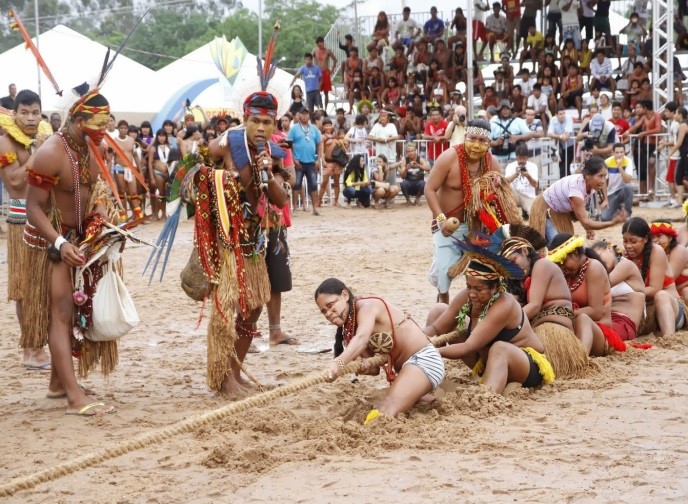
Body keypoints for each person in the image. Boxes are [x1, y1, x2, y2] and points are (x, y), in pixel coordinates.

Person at [23, 88, 118, 415]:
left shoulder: (94, 146)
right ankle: (74, 396)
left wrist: (99, 218)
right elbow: (33, 208)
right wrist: (60, 244)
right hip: (50, 243)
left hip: (80, 241)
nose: (102, 134)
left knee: (73, 314)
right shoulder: (50, 152)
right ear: (77, 120)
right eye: (95, 126)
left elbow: (99, 188)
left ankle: (57, 385)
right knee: (61, 315)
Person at [202, 86, 289, 396]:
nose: (261, 128)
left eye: (268, 123)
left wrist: (267, 171)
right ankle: (222, 377)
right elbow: (193, 175)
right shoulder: (225, 145)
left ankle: (235, 374)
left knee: (252, 309)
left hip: (255, 241)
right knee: (227, 310)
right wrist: (223, 180)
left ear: (275, 124)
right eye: (256, 122)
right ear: (245, 120)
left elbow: (279, 198)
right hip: (227, 241)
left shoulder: (274, 154)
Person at [425, 245, 555, 393]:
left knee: (499, 348)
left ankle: (486, 396)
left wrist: (429, 350)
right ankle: (426, 374)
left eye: (479, 289)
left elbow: (469, 346)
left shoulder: (504, 304)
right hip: (487, 362)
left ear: (494, 288)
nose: (472, 294)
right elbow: (436, 328)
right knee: (438, 310)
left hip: (526, 368)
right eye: (469, 287)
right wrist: (416, 337)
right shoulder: (467, 295)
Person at [317, 278, 444, 424]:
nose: (328, 313)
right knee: (386, 406)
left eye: (330, 305)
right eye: (324, 311)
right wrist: (362, 366)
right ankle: (423, 396)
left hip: (424, 360)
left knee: (384, 410)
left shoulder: (367, 306)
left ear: (345, 295)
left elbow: (362, 338)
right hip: (406, 370)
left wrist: (338, 362)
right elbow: (374, 370)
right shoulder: (350, 328)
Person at [0, 89, 52, 369]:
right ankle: (30, 348)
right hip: (21, 221)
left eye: (35, 112)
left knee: (44, 286)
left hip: (45, 219)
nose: (30, 119)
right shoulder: (5, 143)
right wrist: (39, 154)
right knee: (25, 287)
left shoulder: (42, 138)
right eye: (24, 112)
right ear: (15, 112)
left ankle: (39, 344)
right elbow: (16, 183)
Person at [424, 119, 503, 304]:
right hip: (447, 226)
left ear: (488, 143)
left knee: (485, 273)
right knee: (445, 275)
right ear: (465, 136)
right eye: (472, 138)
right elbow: (429, 189)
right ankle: (442, 306)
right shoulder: (448, 157)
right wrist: (441, 220)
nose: (476, 145)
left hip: (477, 228)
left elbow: (502, 195)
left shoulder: (492, 163)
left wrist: (497, 188)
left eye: (482, 141)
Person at [498, 225, 588, 378]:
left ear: (525, 251)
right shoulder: (519, 278)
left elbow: (534, 306)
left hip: (554, 332)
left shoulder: (542, 265)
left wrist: (501, 326)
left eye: (514, 260)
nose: (513, 267)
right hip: (537, 331)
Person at [548, 234, 626, 355]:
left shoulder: (594, 267)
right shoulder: (567, 274)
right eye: (559, 264)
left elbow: (596, 311)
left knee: (583, 318)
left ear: (574, 253)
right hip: (575, 329)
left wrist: (563, 313)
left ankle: (581, 358)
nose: (562, 267)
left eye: (564, 261)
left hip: (601, 332)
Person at [530, 156, 627, 243]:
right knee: (558, 247)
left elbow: (583, 214)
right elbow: (586, 223)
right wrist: (612, 223)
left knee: (568, 247)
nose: (603, 181)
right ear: (588, 175)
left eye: (604, 176)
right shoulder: (576, 190)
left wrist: (588, 228)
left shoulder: (590, 187)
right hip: (544, 211)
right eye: (600, 176)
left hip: (560, 213)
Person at [622, 217, 687, 337]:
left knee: (660, 295)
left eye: (633, 241)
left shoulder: (657, 251)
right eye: (625, 241)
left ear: (646, 239)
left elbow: (654, 289)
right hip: (647, 313)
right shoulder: (625, 256)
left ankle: (669, 338)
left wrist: (628, 293)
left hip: (672, 310)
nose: (628, 245)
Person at [590, 241, 646, 342]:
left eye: (599, 256)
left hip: (624, 323)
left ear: (608, 248)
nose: (599, 262)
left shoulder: (626, 265)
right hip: (606, 319)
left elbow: (601, 287)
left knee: (592, 332)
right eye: (596, 260)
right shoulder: (602, 273)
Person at [623, 99, 662, 198]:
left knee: (651, 163)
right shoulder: (644, 117)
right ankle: (648, 192)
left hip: (655, 144)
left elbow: (658, 129)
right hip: (645, 145)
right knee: (645, 167)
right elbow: (636, 125)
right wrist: (628, 131)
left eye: (641, 107)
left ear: (645, 108)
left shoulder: (657, 115)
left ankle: (651, 189)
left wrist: (644, 133)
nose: (639, 109)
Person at [288, 107, 322, 216]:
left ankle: (315, 208)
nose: (304, 116)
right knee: (296, 184)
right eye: (302, 114)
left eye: (306, 114)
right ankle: (295, 209)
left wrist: (319, 159)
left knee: (313, 185)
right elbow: (289, 145)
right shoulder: (294, 129)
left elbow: (320, 144)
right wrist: (293, 158)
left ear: (309, 116)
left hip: (311, 161)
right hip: (298, 161)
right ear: (298, 115)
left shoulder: (314, 128)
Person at [650, 220, 688, 306]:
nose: (654, 240)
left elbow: (669, 280)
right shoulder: (652, 252)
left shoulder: (679, 250)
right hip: (667, 294)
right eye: (652, 237)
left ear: (670, 237)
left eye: (659, 236)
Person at [112, 119, 143, 221]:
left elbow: (135, 156)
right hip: (118, 169)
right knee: (121, 193)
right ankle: (123, 217)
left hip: (130, 169)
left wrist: (140, 170)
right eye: (121, 128)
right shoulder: (114, 141)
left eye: (125, 128)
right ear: (118, 129)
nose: (123, 130)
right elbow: (109, 157)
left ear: (127, 129)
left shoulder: (131, 140)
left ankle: (139, 216)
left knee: (133, 193)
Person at [489, 101, 532, 168]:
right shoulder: (493, 123)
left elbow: (530, 135)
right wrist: (496, 143)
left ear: (510, 110)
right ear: (499, 111)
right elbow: (486, 141)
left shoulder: (518, 121)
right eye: (503, 109)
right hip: (498, 158)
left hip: (515, 157)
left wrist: (517, 137)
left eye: (507, 109)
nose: (505, 111)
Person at [601, 143, 635, 222]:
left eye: (621, 152)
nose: (619, 155)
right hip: (611, 193)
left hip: (622, 190)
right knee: (605, 218)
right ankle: (618, 209)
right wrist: (605, 199)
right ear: (613, 153)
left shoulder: (628, 161)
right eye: (617, 152)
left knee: (628, 187)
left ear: (624, 152)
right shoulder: (607, 162)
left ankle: (627, 213)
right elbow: (604, 181)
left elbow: (627, 180)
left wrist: (620, 167)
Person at [504, 144, 538, 218]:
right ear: (516, 157)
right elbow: (505, 182)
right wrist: (515, 175)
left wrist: (528, 176)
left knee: (535, 215)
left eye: (524, 158)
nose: (522, 161)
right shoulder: (510, 166)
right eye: (520, 158)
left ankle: (525, 210)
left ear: (527, 158)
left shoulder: (533, 166)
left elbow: (535, 184)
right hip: (514, 195)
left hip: (528, 196)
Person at [319, 118, 346, 207]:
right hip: (328, 162)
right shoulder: (323, 137)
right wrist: (322, 160)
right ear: (323, 127)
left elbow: (342, 146)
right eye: (326, 125)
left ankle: (336, 201)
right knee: (324, 182)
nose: (328, 127)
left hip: (337, 161)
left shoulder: (335, 136)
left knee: (337, 182)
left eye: (330, 125)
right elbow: (321, 150)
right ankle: (319, 201)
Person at [147, 128, 171, 221]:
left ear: (165, 137)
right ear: (157, 137)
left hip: (167, 173)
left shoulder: (169, 147)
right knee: (160, 194)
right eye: (160, 135)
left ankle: (164, 213)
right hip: (157, 172)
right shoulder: (153, 148)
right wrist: (152, 177)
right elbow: (150, 163)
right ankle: (156, 213)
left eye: (163, 135)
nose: (161, 138)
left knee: (164, 194)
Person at [547, 106, 575, 178]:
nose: (563, 115)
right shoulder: (553, 120)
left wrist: (556, 136)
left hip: (570, 146)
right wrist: (560, 136)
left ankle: (566, 185)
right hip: (559, 146)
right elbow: (549, 134)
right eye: (560, 114)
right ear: (556, 115)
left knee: (566, 167)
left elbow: (566, 137)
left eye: (563, 113)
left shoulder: (568, 118)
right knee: (561, 167)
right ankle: (564, 185)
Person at [399, 142, 429, 206]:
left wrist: (418, 165)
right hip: (409, 182)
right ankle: (408, 200)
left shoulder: (420, 159)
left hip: (418, 182)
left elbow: (428, 168)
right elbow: (402, 176)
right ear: (406, 153)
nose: (410, 153)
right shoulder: (404, 160)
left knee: (423, 183)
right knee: (403, 183)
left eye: (412, 151)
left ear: (415, 151)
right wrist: (406, 169)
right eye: (408, 151)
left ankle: (417, 199)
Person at [313, 36, 337, 111]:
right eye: (320, 42)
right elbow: (309, 59)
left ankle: (325, 110)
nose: (322, 43)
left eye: (322, 41)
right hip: (317, 73)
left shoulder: (328, 51)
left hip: (325, 72)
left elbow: (335, 60)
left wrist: (332, 69)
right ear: (317, 44)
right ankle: (319, 108)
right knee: (317, 91)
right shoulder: (315, 50)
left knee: (326, 92)